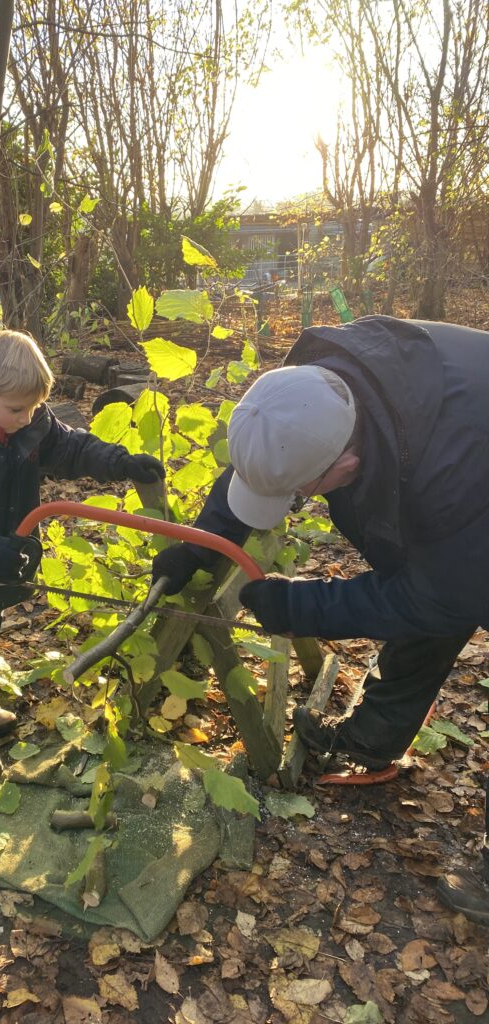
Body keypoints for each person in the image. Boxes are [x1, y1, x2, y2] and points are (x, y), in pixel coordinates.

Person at [151, 314, 489, 919]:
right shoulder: (309, 399)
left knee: (433, 596)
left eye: (306, 490)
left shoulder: (453, 467)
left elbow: (440, 597)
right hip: (456, 521)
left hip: (475, 496)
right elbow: (265, 462)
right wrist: (198, 547)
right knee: (424, 601)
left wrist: (305, 607)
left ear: (345, 468)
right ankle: (371, 744)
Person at [0, 329, 163, 782]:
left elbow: (70, 446)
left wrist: (120, 462)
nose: (27, 419)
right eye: (17, 409)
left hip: (0, 566)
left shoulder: (24, 421)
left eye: (34, 408)